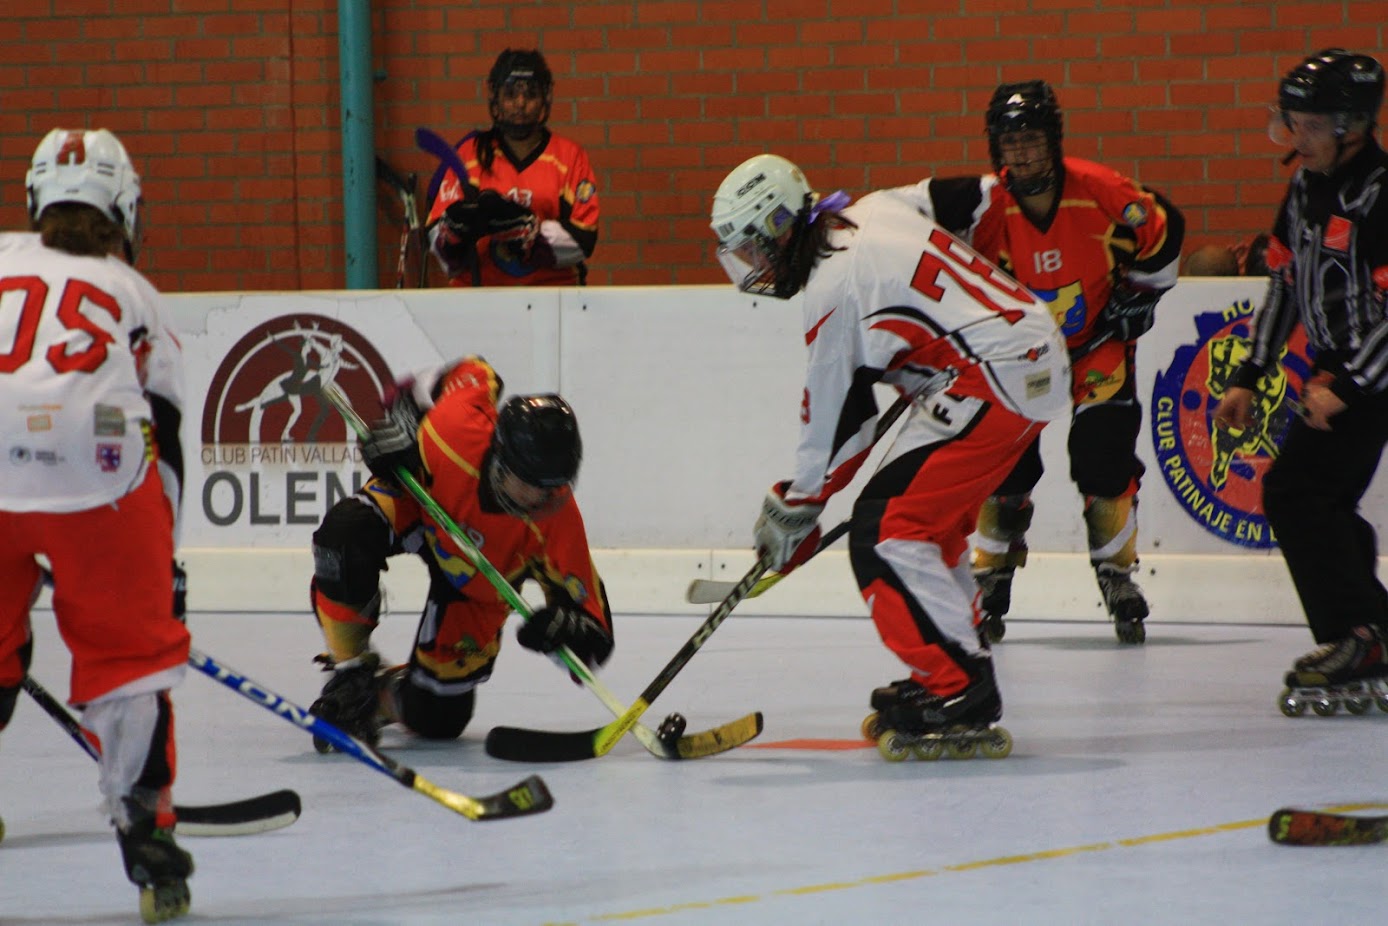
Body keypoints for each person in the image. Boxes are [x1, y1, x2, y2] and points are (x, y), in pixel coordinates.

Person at [709, 153, 1070, 752]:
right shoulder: (875, 207)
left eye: (751, 250)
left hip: (993, 375)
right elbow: (980, 197)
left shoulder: (832, 289)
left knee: (884, 531)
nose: (752, 267)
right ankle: (956, 662)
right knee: (926, 527)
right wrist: (977, 302)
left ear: (779, 228)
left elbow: (837, 423)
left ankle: (959, 684)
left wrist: (796, 505)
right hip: (1019, 357)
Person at [0, 129, 192, 921]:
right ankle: (146, 836)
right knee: (129, 662)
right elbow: (166, 430)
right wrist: (160, 565)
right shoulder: (131, 289)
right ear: (125, 208)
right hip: (96, 469)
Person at [916, 80, 1185, 644]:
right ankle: (992, 574)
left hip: (1096, 345)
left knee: (1103, 456)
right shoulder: (983, 206)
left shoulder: (1100, 188)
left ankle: (1116, 573)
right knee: (1002, 465)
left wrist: (1142, 292)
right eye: (1010, 143)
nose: (1021, 154)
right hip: (1020, 359)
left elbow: (1164, 226)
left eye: (1032, 140)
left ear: (1054, 141)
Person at [308, 355, 613, 749]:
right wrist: (405, 418)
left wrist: (570, 633)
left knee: (439, 718)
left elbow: (595, 628)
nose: (540, 499)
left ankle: (382, 697)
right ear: (500, 456)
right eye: (528, 484)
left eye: (553, 487)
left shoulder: (557, 518)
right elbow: (474, 369)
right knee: (344, 535)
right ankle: (351, 673)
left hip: (474, 588)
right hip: (421, 506)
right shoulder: (454, 426)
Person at [1212, 49, 1388, 708]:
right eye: (1293, 122)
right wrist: (1250, 373)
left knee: (1296, 492)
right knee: (1321, 498)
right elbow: (1284, 282)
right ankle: (1370, 631)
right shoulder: (1306, 185)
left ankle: (1360, 633)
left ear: (1353, 125)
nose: (1297, 137)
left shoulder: (1381, 193)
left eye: (1311, 125)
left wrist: (1347, 385)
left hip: (1372, 370)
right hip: (1336, 370)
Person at [425, 49, 599, 287]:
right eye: (510, 94)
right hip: (480, 296)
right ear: (495, 97)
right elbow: (440, 246)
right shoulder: (470, 155)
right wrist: (453, 234)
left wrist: (530, 233)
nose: (520, 103)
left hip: (551, 295)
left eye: (531, 94)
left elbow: (584, 239)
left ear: (545, 97)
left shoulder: (569, 157)